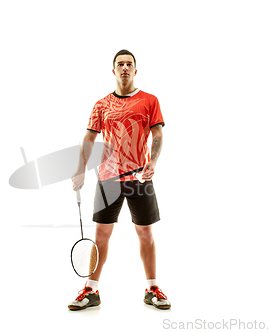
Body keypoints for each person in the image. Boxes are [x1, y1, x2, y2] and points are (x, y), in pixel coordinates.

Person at [68, 49, 171, 311]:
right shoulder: (101, 104)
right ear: (113, 70)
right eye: (120, 64)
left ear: (135, 70)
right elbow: (89, 138)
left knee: (145, 233)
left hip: (139, 177)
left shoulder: (150, 100)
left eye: (129, 64)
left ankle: (152, 287)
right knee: (101, 235)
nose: (124, 68)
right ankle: (91, 291)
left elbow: (157, 134)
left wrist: (153, 162)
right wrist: (80, 169)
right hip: (108, 179)